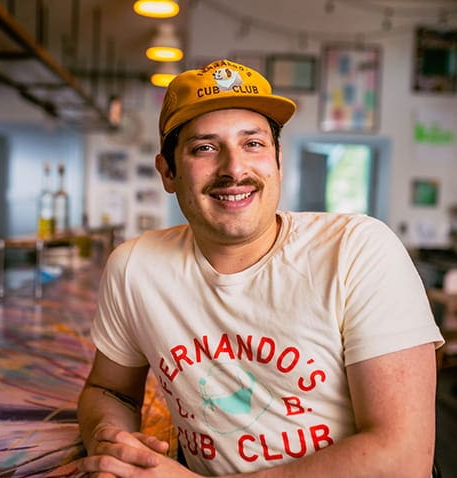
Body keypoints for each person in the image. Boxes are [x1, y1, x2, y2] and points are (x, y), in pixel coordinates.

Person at [77, 58, 444, 477]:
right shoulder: (135, 268)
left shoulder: (357, 250)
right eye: (205, 148)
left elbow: (403, 461)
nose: (235, 168)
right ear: (168, 172)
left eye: (253, 143)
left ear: (277, 158)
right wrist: (113, 440)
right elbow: (108, 390)